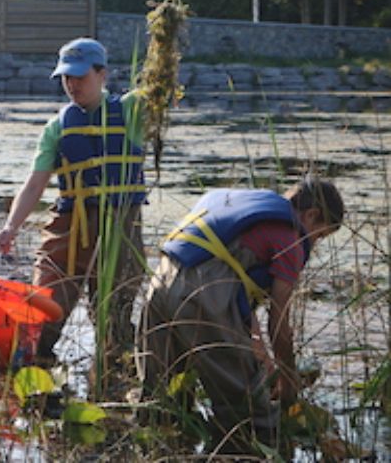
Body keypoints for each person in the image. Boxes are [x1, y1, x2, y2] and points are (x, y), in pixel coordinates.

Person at [141, 179, 344, 454]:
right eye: (320, 235)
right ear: (311, 215)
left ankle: (153, 450)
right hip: (202, 293)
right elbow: (279, 322)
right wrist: (288, 380)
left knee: (161, 397)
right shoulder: (290, 241)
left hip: (160, 282)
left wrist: (262, 356)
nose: (315, 244)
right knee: (247, 411)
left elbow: (238, 297)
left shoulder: (241, 204)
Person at [0, 37, 147, 372]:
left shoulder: (134, 109)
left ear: (102, 74)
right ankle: (32, 375)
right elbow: (36, 182)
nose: (72, 84)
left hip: (119, 229)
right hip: (69, 228)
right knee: (42, 307)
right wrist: (11, 226)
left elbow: (163, 90)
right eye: (66, 77)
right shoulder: (58, 127)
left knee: (114, 319)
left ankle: (113, 384)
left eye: (80, 76)